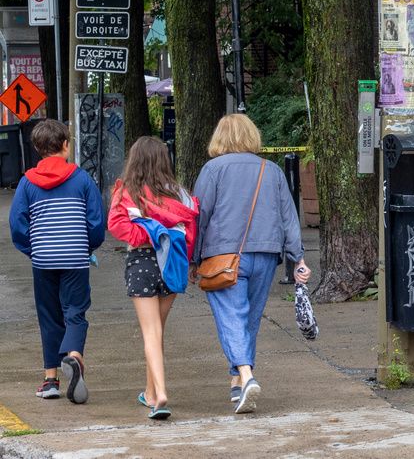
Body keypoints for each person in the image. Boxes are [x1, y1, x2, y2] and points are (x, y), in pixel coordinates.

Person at [193, 114, 310, 414]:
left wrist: (193, 258)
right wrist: (298, 257)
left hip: (224, 256)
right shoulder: (270, 170)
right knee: (250, 320)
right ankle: (236, 382)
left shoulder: (213, 169)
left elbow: (199, 216)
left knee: (231, 316)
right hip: (267, 254)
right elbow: (289, 216)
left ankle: (246, 376)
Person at [8, 119, 105, 404]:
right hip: (75, 257)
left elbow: (17, 225)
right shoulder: (82, 179)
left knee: (49, 317)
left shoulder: (27, 183)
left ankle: (51, 380)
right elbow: (96, 223)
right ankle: (74, 356)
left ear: (38, 149)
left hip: (43, 261)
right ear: (65, 145)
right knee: (75, 311)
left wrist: (33, 249)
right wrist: (87, 246)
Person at [107, 136, 199, 420]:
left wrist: (144, 236)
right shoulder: (179, 194)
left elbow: (117, 225)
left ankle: (160, 394)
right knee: (158, 330)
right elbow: (191, 231)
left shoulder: (127, 192)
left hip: (142, 262)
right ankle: (149, 392)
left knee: (151, 332)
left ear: (134, 160)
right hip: (173, 263)